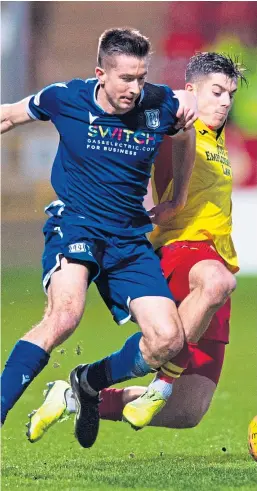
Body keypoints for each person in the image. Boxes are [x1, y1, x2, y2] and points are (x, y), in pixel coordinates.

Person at [26, 52, 247, 443]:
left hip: (217, 258)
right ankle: (162, 383)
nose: (225, 102)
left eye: (230, 94)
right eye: (216, 92)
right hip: (181, 252)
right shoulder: (171, 121)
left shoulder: (219, 133)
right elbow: (120, 113)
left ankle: (81, 389)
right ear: (190, 89)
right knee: (215, 284)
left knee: (187, 412)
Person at [1, 27, 197, 446]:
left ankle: (87, 383)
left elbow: (184, 134)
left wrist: (177, 199)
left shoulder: (160, 105)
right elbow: (9, 114)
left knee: (167, 340)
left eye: (141, 77)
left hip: (128, 239)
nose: (135, 88)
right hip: (77, 224)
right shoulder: (66, 97)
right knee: (65, 315)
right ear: (100, 74)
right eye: (126, 78)